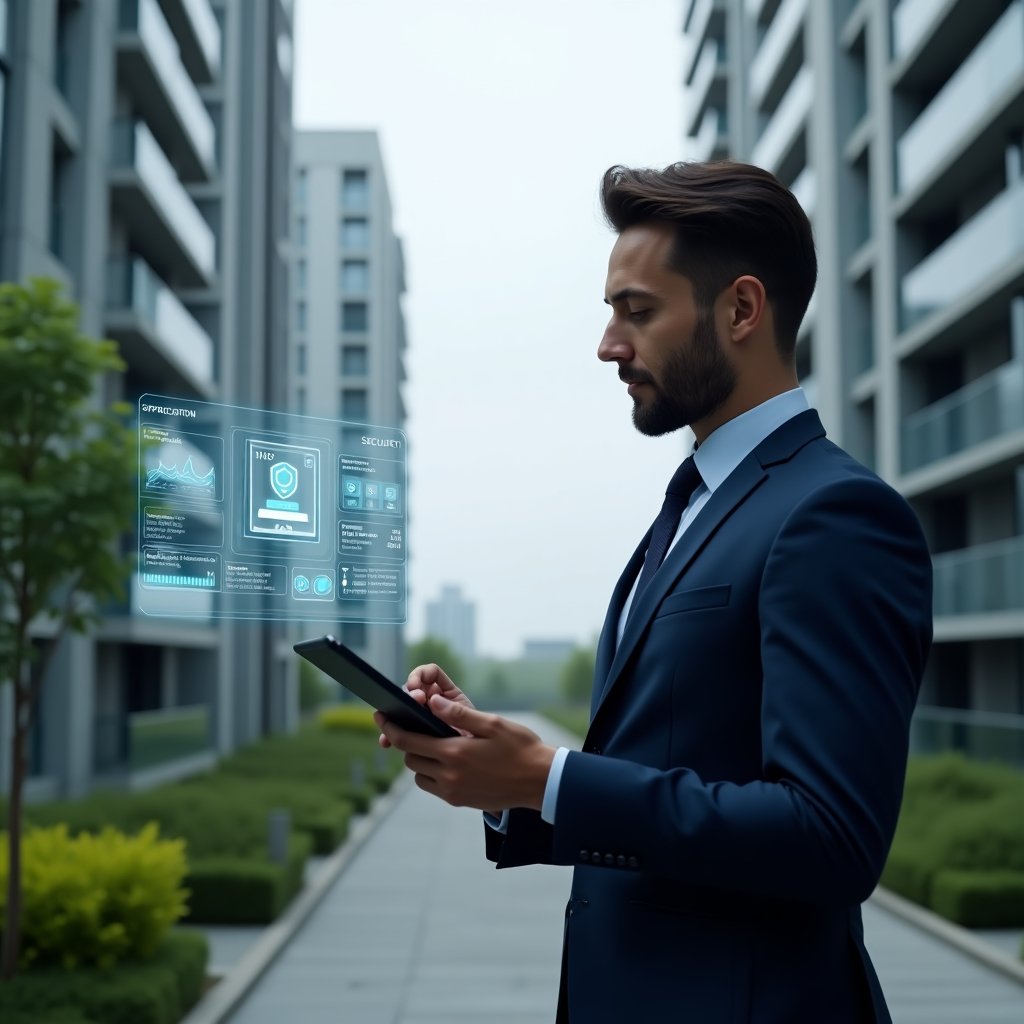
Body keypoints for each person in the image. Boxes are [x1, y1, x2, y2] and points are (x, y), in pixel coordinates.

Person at [376, 161, 933, 1023]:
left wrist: (553, 777)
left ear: (741, 310)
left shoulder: (836, 514)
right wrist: (508, 782)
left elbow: (830, 837)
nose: (608, 344)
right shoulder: (690, 506)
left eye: (637, 311)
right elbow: (669, 769)